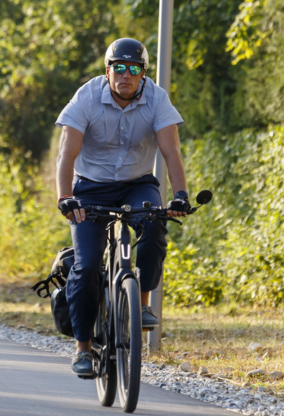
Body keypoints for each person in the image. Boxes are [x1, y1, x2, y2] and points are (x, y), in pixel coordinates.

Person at [54, 38, 190, 377]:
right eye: (118, 68)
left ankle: (141, 303)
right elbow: (66, 154)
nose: (125, 75)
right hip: (89, 189)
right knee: (86, 266)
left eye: (134, 69)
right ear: (107, 70)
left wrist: (181, 195)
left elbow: (171, 152)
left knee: (154, 223)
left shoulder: (157, 98)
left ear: (143, 73)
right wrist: (64, 196)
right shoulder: (86, 97)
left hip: (136, 183)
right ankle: (83, 348)